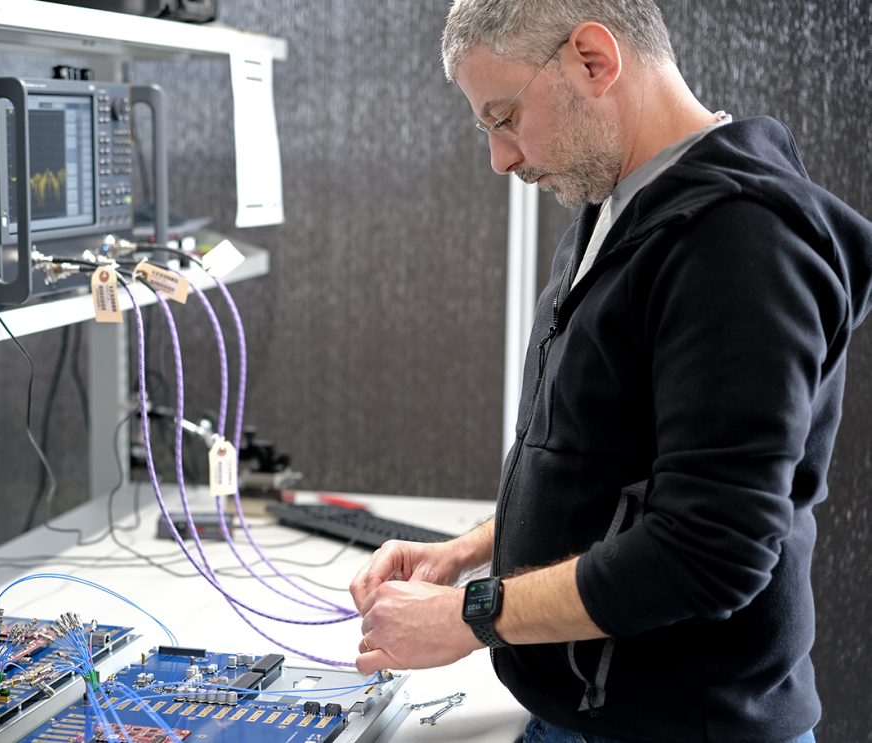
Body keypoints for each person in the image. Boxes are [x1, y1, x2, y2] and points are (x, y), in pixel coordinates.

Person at [348, 1, 872, 742]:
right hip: (583, 711)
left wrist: (474, 615)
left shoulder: (740, 245)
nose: (501, 157)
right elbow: (616, 476)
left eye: (504, 117)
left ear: (593, 58)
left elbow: (709, 551)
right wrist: (469, 551)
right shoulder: (616, 211)